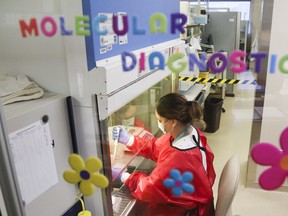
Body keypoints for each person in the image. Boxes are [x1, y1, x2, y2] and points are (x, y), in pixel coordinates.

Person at [112, 93, 216, 216]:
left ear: (172, 122)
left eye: (160, 120)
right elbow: (158, 148)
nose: (159, 124)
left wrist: (125, 177)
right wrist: (129, 140)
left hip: (189, 212)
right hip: (191, 199)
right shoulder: (187, 132)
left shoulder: (180, 156)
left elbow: (149, 189)